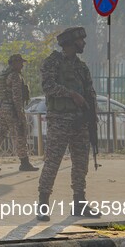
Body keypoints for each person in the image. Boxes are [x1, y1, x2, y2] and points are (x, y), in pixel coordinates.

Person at [35, 27, 101, 221]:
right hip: (60, 120)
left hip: (81, 121)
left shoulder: (81, 67)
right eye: (81, 40)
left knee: (81, 164)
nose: (84, 44)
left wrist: (92, 112)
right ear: (71, 42)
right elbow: (48, 86)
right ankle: (43, 205)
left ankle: (79, 203)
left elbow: (91, 91)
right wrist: (71, 94)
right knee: (53, 162)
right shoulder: (52, 62)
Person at [0, 54, 39, 172]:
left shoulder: (2, 74)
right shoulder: (14, 76)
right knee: (19, 133)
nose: (22, 65)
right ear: (14, 63)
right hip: (12, 109)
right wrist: (20, 114)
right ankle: (24, 162)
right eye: (20, 63)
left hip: (3, 107)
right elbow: (17, 97)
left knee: (0, 133)